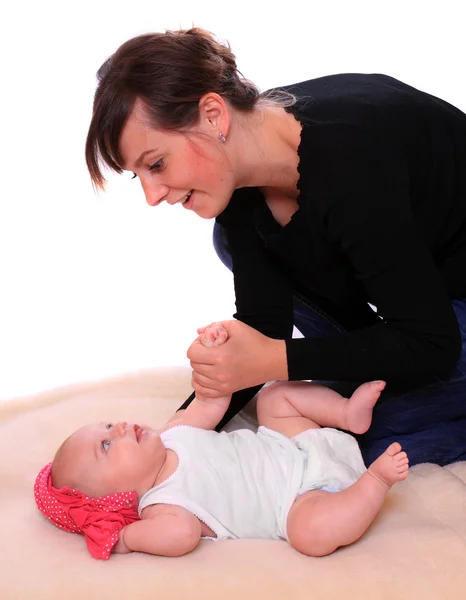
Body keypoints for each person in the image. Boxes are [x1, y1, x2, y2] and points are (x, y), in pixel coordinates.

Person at [85, 27, 466, 467]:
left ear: (213, 114)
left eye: (156, 164)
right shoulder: (241, 176)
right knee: (317, 426)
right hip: (425, 304)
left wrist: (274, 361)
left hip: (439, 321)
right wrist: (174, 437)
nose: (152, 196)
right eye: (140, 176)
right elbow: (264, 328)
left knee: (343, 448)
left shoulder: (352, 163)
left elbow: (432, 341)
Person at [34, 324, 409, 560]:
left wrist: (213, 351)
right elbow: (181, 536)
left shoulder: (172, 434)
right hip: (302, 499)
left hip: (294, 443)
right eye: (106, 446)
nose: (118, 429)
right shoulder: (162, 506)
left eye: (108, 424)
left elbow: (213, 400)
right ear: (110, 497)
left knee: (273, 397)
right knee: (309, 535)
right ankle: (374, 483)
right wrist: (127, 538)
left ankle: (346, 414)